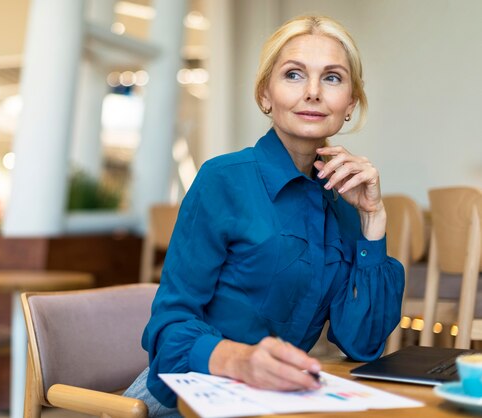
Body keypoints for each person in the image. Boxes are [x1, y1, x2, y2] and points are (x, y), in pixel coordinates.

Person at [124, 15, 404, 417]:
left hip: (274, 401)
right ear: (265, 96)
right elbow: (169, 334)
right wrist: (242, 362)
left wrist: (373, 223)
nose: (312, 92)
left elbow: (362, 343)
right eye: (293, 74)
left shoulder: (344, 203)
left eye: (331, 78)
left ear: (350, 103)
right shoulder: (222, 180)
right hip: (186, 396)